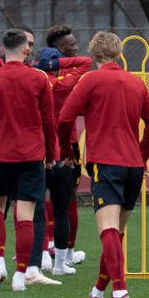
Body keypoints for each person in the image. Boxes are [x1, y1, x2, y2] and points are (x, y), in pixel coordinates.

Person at [58, 31, 149, 298]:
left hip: (107, 164)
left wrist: (68, 153)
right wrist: (141, 156)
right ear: (118, 53)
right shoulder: (135, 81)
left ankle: (120, 292)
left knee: (108, 229)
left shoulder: (90, 79)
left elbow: (64, 117)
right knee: (117, 231)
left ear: (93, 54)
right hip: (133, 167)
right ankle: (99, 288)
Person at [0, 29, 58, 292]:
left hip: (0, 155)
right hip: (31, 156)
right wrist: (51, 155)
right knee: (26, 218)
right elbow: (48, 121)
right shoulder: (38, 78)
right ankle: (21, 276)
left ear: (2, 49)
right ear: (26, 50)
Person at [34, 24, 93, 276]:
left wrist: (44, 63)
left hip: (38, 147)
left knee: (35, 203)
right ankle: (63, 256)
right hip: (65, 147)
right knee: (65, 202)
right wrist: (61, 64)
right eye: (71, 44)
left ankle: (39, 256)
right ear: (60, 50)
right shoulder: (65, 81)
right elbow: (86, 62)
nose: (76, 46)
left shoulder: (35, 78)